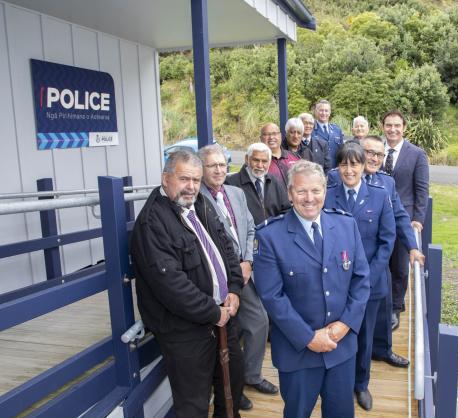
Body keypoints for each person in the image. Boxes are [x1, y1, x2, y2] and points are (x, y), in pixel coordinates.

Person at [130, 150, 244, 418]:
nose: (191, 186)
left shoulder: (200, 204)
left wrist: (235, 289)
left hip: (223, 317)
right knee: (193, 404)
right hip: (186, 330)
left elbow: (227, 249)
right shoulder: (152, 222)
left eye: (195, 179)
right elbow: (171, 285)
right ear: (165, 178)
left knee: (233, 382)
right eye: (184, 179)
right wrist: (213, 312)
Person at [253, 160, 370, 418]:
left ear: (325, 191)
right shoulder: (270, 236)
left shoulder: (346, 225)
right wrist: (308, 337)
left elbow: (361, 280)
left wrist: (346, 324)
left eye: (316, 191)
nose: (309, 198)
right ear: (290, 193)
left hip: (341, 347)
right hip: (298, 353)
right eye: (301, 191)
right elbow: (272, 297)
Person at [198, 145, 278, 411]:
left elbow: (250, 228)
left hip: (244, 274)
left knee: (258, 323)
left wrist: (248, 261)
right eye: (213, 166)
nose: (220, 170)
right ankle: (233, 388)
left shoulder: (236, 193)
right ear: (201, 169)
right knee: (225, 340)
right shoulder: (196, 199)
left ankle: (250, 376)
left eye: (223, 165)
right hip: (216, 282)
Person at [323, 143, 395, 411]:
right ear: (338, 167)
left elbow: (387, 240)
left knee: (364, 336)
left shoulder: (378, 195)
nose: (349, 169)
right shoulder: (328, 196)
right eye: (344, 164)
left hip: (370, 284)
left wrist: (367, 278)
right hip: (335, 285)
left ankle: (361, 383)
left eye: (355, 164)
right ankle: (336, 381)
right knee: (338, 332)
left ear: (364, 166)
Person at [359, 135, 424, 367]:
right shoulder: (340, 178)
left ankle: (382, 350)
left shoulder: (386, 183)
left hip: (380, 258)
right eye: (369, 153)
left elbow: (400, 216)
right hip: (351, 260)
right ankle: (359, 362)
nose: (374, 158)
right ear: (359, 152)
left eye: (379, 154)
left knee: (384, 308)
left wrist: (413, 247)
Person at [381, 110, 430, 325]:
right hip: (378, 216)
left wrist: (418, 219)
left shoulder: (417, 154)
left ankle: (395, 307)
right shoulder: (374, 150)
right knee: (381, 261)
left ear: (404, 128)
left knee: (400, 265)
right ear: (382, 126)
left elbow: (421, 189)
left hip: (404, 218)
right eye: (388, 125)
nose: (392, 129)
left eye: (397, 126)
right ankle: (381, 302)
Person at [225, 142, 291, 225]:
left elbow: (287, 210)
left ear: (269, 162)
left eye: (264, 161)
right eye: (256, 160)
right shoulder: (231, 183)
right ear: (246, 159)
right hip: (247, 237)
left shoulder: (274, 181)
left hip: (272, 235)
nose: (260, 165)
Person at [260, 122, 300, 188]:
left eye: (274, 133)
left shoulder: (294, 157)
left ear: (280, 136)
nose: (271, 137)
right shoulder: (256, 161)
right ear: (261, 138)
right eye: (267, 134)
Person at [312, 99, 344, 168]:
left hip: (335, 171)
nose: (324, 113)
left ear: (329, 113)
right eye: (321, 110)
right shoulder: (311, 130)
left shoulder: (337, 130)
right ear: (316, 112)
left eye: (326, 111)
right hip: (318, 172)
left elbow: (342, 152)